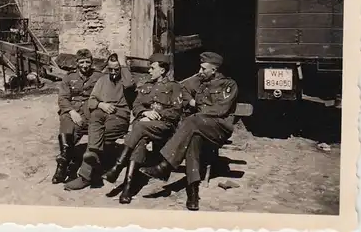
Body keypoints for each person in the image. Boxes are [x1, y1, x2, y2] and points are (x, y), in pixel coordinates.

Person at [139, 51, 239, 211]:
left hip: (219, 129)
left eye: (203, 69)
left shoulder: (229, 85)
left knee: (192, 121)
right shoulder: (201, 81)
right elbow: (182, 86)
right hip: (200, 127)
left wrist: (197, 104)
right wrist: (190, 100)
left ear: (214, 70)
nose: (200, 72)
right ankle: (193, 192)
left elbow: (219, 110)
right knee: (193, 139)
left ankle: (165, 166)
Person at [102, 53, 183, 204]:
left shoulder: (174, 87)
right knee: (139, 139)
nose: (149, 71)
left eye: (152, 68)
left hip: (164, 126)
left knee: (138, 127)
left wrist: (156, 114)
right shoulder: (146, 85)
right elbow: (136, 105)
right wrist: (145, 112)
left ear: (163, 70)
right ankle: (127, 187)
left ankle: (117, 167)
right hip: (143, 125)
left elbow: (176, 112)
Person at [64, 53, 136, 191]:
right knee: (95, 119)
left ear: (121, 68)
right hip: (102, 114)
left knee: (97, 136)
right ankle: (93, 161)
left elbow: (129, 84)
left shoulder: (126, 80)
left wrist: (124, 65)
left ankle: (87, 175)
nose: (113, 73)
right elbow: (91, 101)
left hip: (118, 116)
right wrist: (101, 104)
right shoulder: (102, 80)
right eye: (111, 69)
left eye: (117, 69)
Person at [52, 49, 103, 184]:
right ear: (77, 63)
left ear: (91, 62)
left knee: (77, 130)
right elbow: (63, 98)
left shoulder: (98, 76)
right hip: (72, 109)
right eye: (82, 62)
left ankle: (63, 164)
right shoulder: (69, 77)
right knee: (66, 122)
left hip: (89, 109)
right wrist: (71, 111)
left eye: (88, 62)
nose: (85, 65)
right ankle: (62, 165)